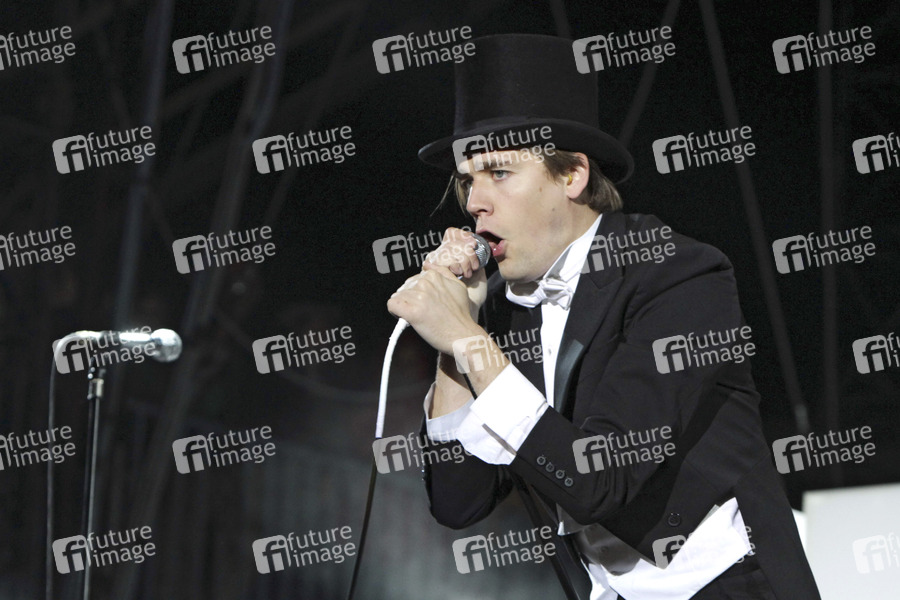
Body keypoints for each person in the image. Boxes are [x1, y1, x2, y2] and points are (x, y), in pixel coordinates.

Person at [387, 33, 820, 600]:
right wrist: (452, 342)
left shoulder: (678, 275)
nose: (473, 202)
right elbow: (458, 504)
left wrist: (469, 340)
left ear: (573, 175)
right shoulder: (498, 312)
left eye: (499, 173)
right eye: (468, 179)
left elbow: (600, 480)